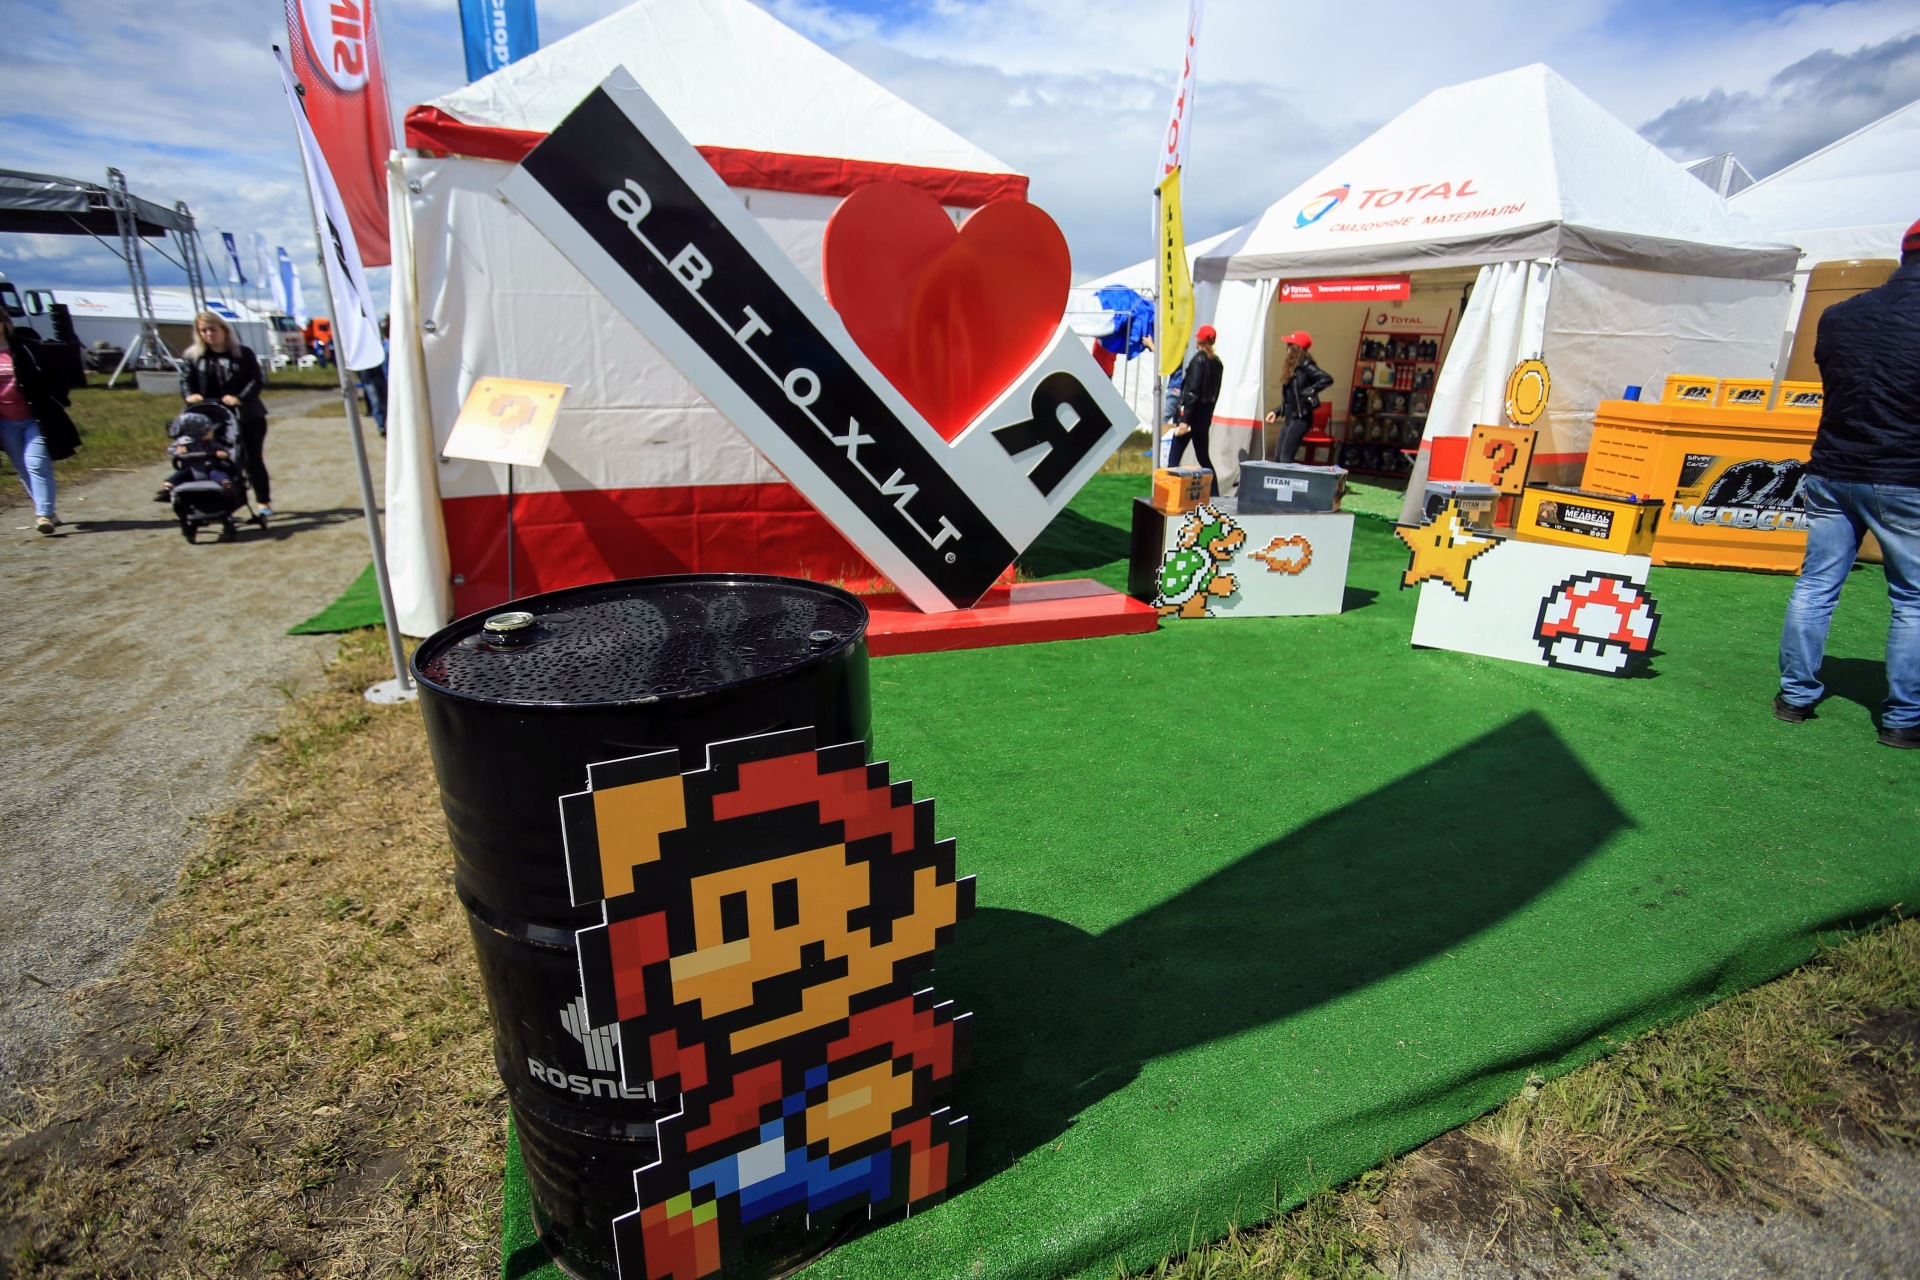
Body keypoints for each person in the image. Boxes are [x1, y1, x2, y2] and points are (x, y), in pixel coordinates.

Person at [1775, 216, 1920, 748]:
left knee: (1816, 585)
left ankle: (1795, 696)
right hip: (1904, 476)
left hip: (1833, 469)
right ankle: (1903, 718)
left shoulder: (1839, 315)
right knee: (1913, 600)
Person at [181, 312, 273, 517]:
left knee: (251, 459)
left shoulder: (243, 354)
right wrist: (190, 395)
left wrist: (240, 398)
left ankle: (263, 501)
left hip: (247, 416)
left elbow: (256, 380)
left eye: (213, 329)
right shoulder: (193, 357)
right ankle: (221, 502)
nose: (209, 334)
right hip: (211, 418)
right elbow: (186, 381)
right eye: (203, 331)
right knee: (213, 459)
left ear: (223, 330)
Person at [0, 310, 81, 535]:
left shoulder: (26, 347)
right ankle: (48, 511)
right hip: (5, 422)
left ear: (5, 323)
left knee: (36, 463)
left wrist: (57, 401)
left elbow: (55, 376)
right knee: (23, 468)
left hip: (36, 417)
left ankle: (43, 514)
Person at [1264, 331, 1334, 464]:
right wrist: (1276, 411)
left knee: (1285, 458)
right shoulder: (1293, 367)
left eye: (1289, 345)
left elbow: (1326, 379)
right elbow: (1290, 398)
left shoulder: (1305, 365)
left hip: (1301, 417)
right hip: (1290, 417)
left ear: (1296, 348)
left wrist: (1310, 391)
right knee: (1278, 457)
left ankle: (1287, 478)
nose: (1287, 348)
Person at [1168, 325, 1223, 484]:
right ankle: (1215, 492)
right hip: (1203, 418)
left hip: (1191, 417)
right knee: (1204, 458)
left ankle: (1171, 492)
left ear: (1199, 340)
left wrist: (1184, 420)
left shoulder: (1198, 360)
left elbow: (1192, 392)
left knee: (1174, 458)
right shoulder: (1217, 363)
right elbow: (1214, 394)